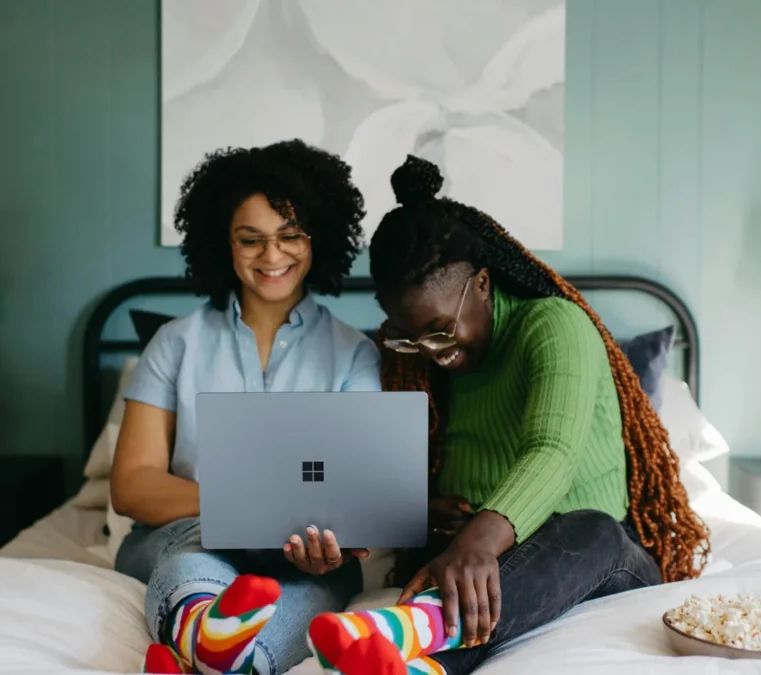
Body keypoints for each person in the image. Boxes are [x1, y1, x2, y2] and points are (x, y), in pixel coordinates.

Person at [305, 156, 711, 675]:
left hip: (603, 559)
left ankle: (410, 629)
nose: (431, 351)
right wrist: (428, 511)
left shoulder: (555, 326)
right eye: (410, 337)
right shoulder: (419, 363)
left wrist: (477, 539)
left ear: (482, 284)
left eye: (440, 329)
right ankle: (417, 667)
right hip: (498, 564)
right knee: (470, 568)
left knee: (591, 529)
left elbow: (553, 451)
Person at [112, 139, 381, 675]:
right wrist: (237, 512)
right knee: (193, 551)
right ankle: (217, 644)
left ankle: (220, 657)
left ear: (317, 239)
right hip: (188, 531)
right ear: (224, 244)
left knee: (314, 582)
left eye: (290, 236)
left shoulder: (354, 353)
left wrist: (325, 541)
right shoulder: (175, 343)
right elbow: (131, 486)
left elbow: (357, 495)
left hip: (302, 555)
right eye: (250, 239)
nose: (272, 255)